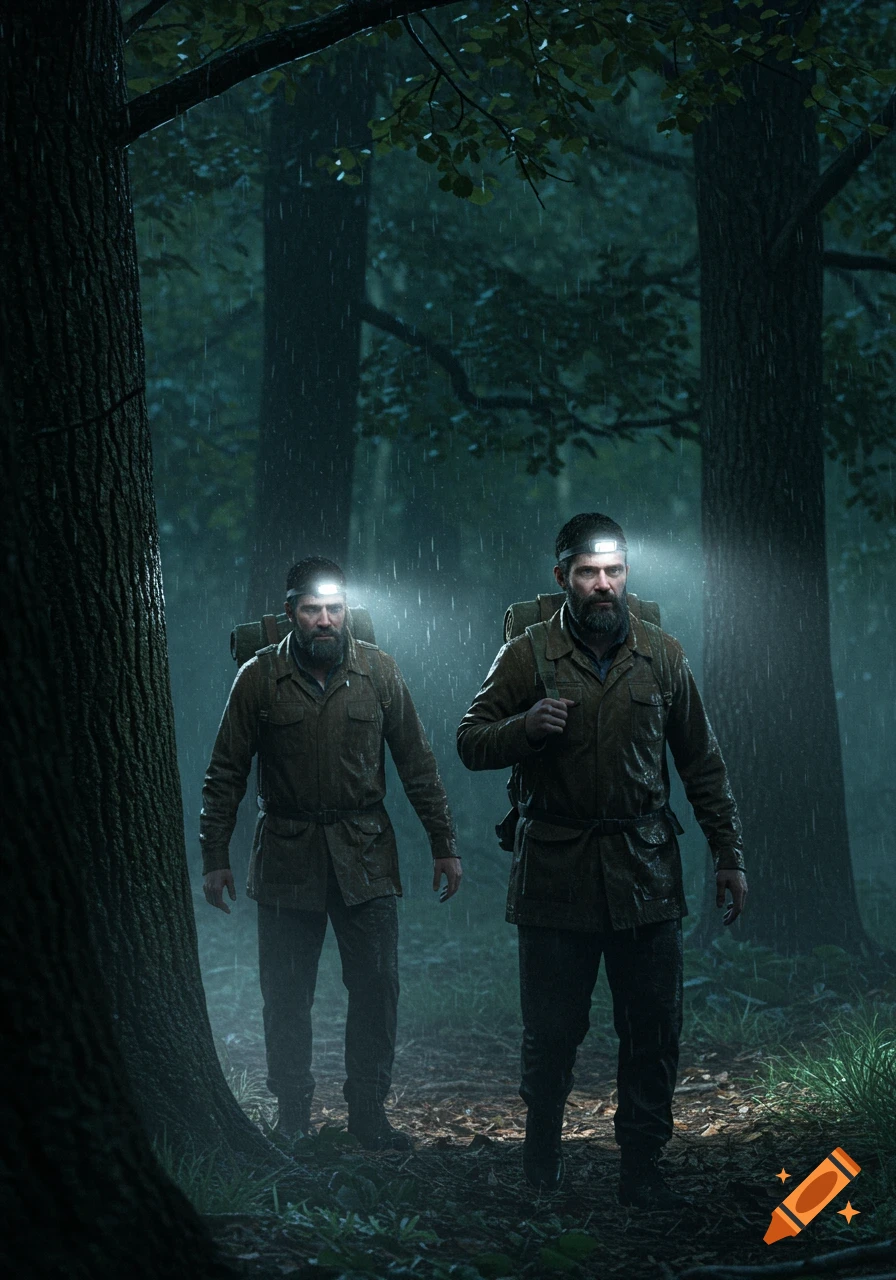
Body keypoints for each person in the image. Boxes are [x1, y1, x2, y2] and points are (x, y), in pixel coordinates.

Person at [456, 514, 747, 1208]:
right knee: (552, 1032)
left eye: (613, 571)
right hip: (555, 873)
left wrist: (729, 853)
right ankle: (541, 1158)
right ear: (562, 578)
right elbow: (470, 740)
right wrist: (523, 730)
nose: (603, 585)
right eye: (588, 572)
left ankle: (642, 1167)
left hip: (646, 871)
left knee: (653, 1030)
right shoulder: (527, 654)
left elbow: (702, 763)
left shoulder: (663, 655)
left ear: (627, 575)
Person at [201, 556, 461, 1149]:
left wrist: (443, 844)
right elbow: (225, 773)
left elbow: (417, 764)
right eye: (313, 610)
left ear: (347, 612)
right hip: (288, 855)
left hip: (364, 854)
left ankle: (368, 1112)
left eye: (334, 609)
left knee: (377, 986)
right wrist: (215, 853)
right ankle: (292, 1114)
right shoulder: (259, 678)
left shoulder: (379, 672)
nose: (325, 621)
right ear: (291, 612)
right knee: (286, 992)